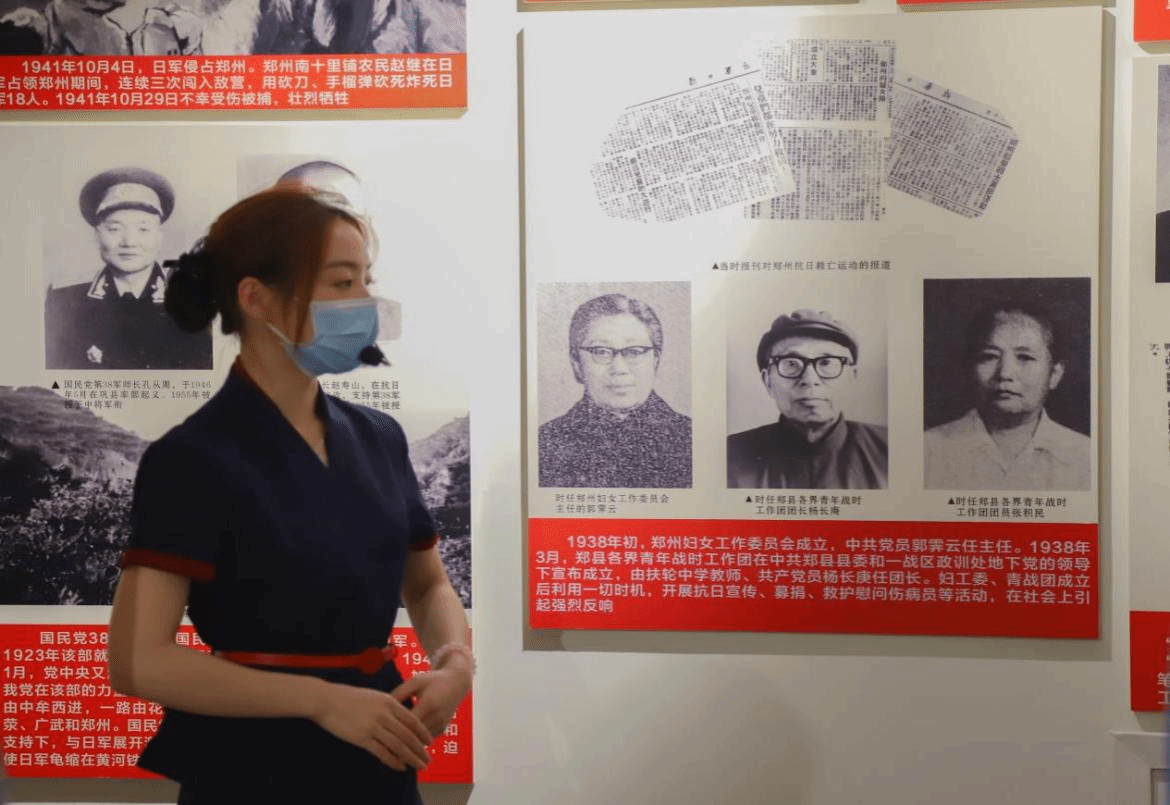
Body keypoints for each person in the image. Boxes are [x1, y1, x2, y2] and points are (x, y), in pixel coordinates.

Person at [106, 187, 473, 802]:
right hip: (252, 764)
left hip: (381, 747)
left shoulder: (379, 437)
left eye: (366, 281)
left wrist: (455, 662)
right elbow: (140, 660)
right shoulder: (192, 457)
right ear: (256, 298)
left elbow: (427, 583)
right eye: (342, 283)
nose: (364, 303)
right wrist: (322, 701)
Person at [45, 167, 212, 370]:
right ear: (97, 236)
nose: (129, 242)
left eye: (143, 229)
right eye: (114, 228)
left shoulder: (193, 297)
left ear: (159, 237)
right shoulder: (65, 298)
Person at [924, 303, 1090, 490]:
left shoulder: (1086, 456)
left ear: (1055, 374)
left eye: (1025, 357)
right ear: (969, 368)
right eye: (989, 356)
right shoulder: (927, 450)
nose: (1005, 373)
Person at [538, 293, 691, 488]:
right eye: (600, 351)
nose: (619, 368)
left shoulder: (689, 439)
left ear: (655, 360)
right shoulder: (545, 444)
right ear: (576, 363)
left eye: (634, 351)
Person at [727, 309, 888, 490]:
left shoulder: (891, 450)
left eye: (827, 362)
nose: (810, 380)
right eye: (791, 363)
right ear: (768, 381)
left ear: (851, 377)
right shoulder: (730, 456)